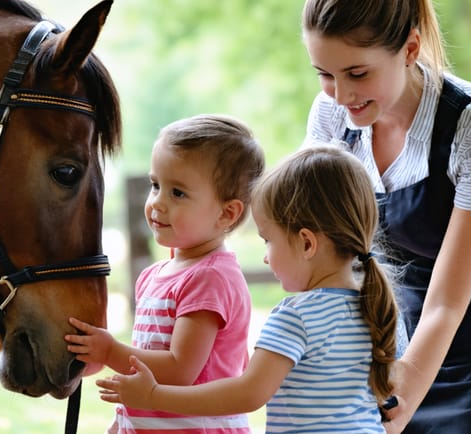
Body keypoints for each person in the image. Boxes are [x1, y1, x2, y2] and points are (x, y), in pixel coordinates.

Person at [300, 0, 471, 434]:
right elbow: (317, 240)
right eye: (325, 75)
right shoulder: (333, 115)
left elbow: (447, 303)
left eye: (357, 73)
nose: (342, 94)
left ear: (410, 49)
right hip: (393, 341)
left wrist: (400, 399)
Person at [96, 145, 400, 434]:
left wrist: (153, 396)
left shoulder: (296, 318)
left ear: (307, 243)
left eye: (268, 239)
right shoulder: (378, 309)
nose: (266, 256)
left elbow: (248, 392)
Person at [65, 114, 265, 433]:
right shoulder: (154, 275)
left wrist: (110, 350)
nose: (157, 203)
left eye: (178, 193)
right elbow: (145, 360)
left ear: (227, 213)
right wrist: (91, 356)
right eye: (156, 185)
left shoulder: (210, 278)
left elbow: (178, 370)